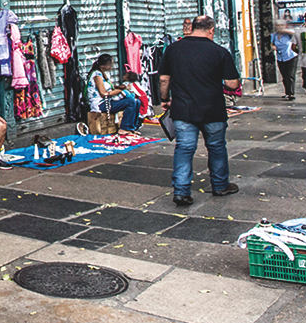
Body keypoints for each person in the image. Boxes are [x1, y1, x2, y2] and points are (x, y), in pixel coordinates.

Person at [159, 15, 241, 206]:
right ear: (211, 30)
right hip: (213, 109)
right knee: (216, 147)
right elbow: (232, 84)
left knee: (184, 148)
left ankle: (181, 191)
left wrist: (164, 99)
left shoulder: (173, 49)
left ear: (192, 28)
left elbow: (163, 79)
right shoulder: (220, 52)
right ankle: (220, 186)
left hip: (183, 109)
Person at [86, 54, 141, 134]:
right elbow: (103, 94)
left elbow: (112, 88)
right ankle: (124, 128)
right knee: (131, 102)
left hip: (108, 101)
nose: (112, 66)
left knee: (137, 101)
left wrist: (123, 88)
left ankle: (132, 128)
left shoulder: (105, 74)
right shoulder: (97, 76)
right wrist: (121, 90)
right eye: (110, 64)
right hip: (100, 104)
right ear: (102, 66)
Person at [270, 20, 298, 100]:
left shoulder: (288, 34)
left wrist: (284, 30)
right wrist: (273, 47)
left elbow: (295, 34)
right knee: (284, 76)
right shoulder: (274, 35)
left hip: (290, 56)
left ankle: (291, 93)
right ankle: (287, 92)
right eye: (278, 25)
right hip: (280, 57)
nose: (279, 27)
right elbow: (272, 43)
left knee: (290, 75)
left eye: (281, 25)